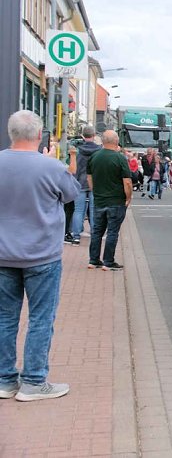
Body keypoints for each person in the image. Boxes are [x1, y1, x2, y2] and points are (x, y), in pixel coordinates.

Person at [0, 110, 80, 401]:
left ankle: (5, 380)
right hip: (41, 256)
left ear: (12, 134)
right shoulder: (50, 167)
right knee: (40, 319)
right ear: (39, 135)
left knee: (4, 319)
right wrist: (52, 159)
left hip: (2, 256)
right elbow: (71, 195)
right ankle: (34, 381)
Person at [87, 130, 132, 271]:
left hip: (99, 200)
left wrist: (95, 191)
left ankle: (93, 260)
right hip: (116, 201)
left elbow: (89, 177)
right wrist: (128, 198)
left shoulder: (94, 157)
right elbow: (127, 182)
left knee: (97, 231)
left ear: (103, 141)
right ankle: (108, 261)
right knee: (112, 231)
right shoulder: (120, 159)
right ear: (116, 141)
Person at [70, 126, 101, 246]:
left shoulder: (77, 150)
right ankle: (94, 234)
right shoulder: (99, 150)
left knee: (78, 210)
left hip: (79, 183)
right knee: (94, 210)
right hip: (95, 183)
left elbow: (74, 168)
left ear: (83, 135)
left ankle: (76, 236)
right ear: (94, 135)